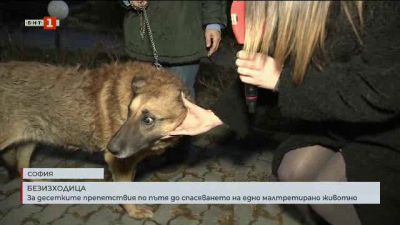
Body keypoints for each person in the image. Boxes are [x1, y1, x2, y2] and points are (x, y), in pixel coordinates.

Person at [166, 1, 400, 224]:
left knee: (333, 195)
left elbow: (383, 90)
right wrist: (213, 117)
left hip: (386, 121)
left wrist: (282, 81)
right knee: (294, 171)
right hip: (340, 110)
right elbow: (274, 64)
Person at [119, 0, 227, 177]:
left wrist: (213, 23)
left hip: (184, 32)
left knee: (180, 103)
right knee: (139, 102)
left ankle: (176, 155)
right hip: (143, 34)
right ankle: (141, 152)